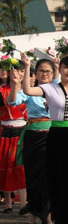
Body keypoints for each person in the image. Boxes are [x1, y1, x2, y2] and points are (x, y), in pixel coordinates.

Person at [20, 53, 68, 224]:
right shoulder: (49, 88)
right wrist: (27, 67)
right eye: (66, 67)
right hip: (57, 135)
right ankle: (60, 223)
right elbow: (27, 90)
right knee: (57, 180)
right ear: (60, 69)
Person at [8, 59, 56, 224]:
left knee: (49, 176)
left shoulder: (57, 90)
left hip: (53, 135)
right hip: (33, 137)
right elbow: (12, 101)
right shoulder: (29, 91)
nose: (44, 74)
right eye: (41, 71)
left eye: (48, 71)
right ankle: (35, 211)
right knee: (33, 175)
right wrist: (16, 84)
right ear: (35, 74)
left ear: (53, 74)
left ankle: (48, 215)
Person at [0, 67, 27, 213]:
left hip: (22, 130)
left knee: (21, 167)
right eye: (14, 71)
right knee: (6, 165)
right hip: (5, 130)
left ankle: (23, 203)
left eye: (21, 71)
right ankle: (8, 203)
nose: (17, 74)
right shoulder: (2, 90)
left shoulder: (28, 90)